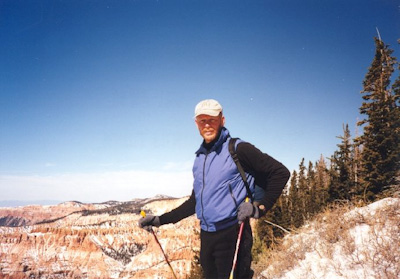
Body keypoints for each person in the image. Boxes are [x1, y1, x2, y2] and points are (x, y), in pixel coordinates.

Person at [139, 99, 290, 279]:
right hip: (207, 236)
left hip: (233, 234)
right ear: (196, 124)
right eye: (202, 120)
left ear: (222, 120)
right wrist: (159, 220)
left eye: (212, 119)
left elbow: (280, 173)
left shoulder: (238, 149)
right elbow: (194, 202)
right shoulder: (199, 159)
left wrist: (260, 208)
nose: (207, 125)